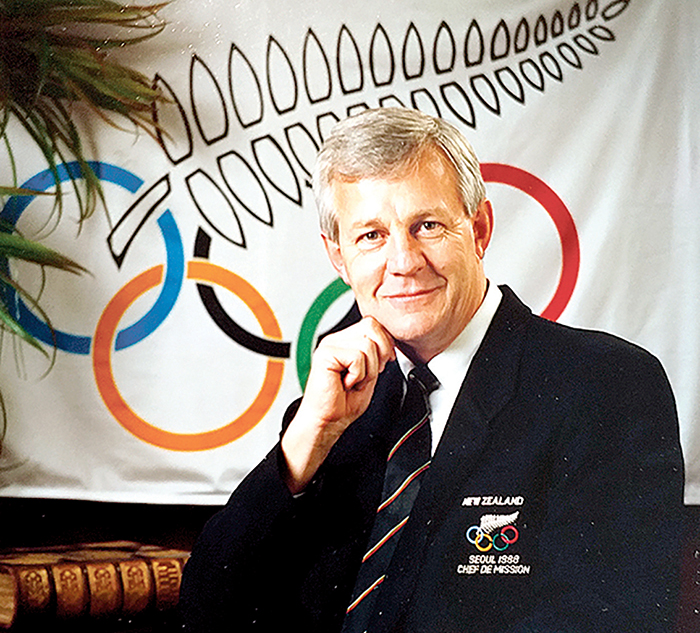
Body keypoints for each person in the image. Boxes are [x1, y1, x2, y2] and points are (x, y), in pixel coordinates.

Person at [179, 107, 685, 632]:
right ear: (338, 257)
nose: (404, 261)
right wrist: (307, 440)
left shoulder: (606, 386)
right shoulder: (332, 412)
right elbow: (206, 611)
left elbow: (604, 620)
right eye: (371, 236)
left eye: (427, 226)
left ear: (479, 229)